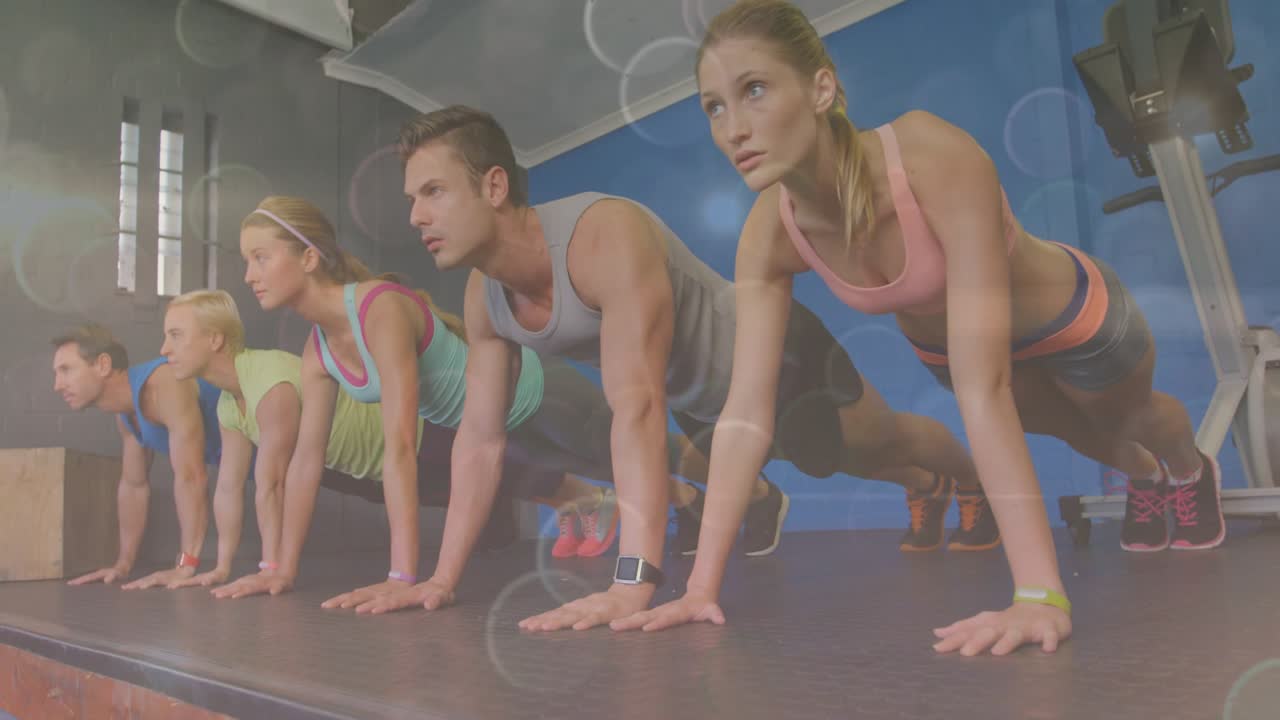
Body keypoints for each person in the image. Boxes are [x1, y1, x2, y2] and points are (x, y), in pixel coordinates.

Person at [635, 0, 1225, 656]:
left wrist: (1038, 595)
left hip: (1073, 316)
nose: (733, 128)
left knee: (1130, 417)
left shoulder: (928, 155)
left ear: (821, 88)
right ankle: (1147, 479)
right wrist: (698, 587)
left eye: (753, 90)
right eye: (713, 107)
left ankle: (1189, 468)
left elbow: (984, 389)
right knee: (1082, 432)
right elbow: (746, 415)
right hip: (953, 352)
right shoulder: (770, 235)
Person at [393, 104, 986, 632]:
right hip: (703, 399)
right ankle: (921, 486)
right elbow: (478, 440)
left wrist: (631, 580)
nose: (416, 216)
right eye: (411, 200)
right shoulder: (484, 298)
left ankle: (966, 479)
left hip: (773, 349)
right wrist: (438, 581)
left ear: (493, 185)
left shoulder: (600, 234)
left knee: (877, 442)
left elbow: (637, 407)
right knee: (823, 461)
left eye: (433, 192)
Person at [232, 196, 707, 614]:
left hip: (541, 400)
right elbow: (305, 464)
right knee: (613, 476)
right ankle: (694, 502)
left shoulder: (379, 310)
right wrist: (279, 568)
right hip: (497, 434)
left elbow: (400, 448)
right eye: (247, 261)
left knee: (655, 455)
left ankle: (744, 486)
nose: (249, 275)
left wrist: (401, 576)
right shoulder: (318, 352)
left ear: (309, 257)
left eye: (260, 257)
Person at [156, 291, 596, 598]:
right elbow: (231, 488)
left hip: (418, 440)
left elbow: (271, 484)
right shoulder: (230, 407)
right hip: (369, 473)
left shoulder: (267, 381)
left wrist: (272, 570)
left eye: (176, 334)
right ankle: (576, 501)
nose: (164, 347)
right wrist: (219, 567)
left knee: (515, 477)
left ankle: (590, 498)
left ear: (214, 339)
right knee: (496, 490)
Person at [51, 323, 222, 590]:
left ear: (103, 365)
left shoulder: (163, 383)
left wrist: (185, 566)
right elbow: (134, 486)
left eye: (66, 370)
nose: (57, 385)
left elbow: (192, 476)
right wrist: (123, 564)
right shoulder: (126, 416)